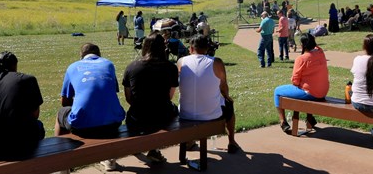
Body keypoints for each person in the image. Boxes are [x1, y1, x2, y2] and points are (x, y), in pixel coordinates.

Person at [56, 43, 126, 172]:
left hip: (83, 128)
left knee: (61, 113)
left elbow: (65, 102)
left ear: (81, 56)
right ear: (99, 54)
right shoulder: (108, 64)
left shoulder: (73, 67)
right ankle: (110, 159)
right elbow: (111, 90)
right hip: (113, 124)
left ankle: (63, 164)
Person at [0, 51, 45, 159]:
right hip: (13, 147)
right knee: (38, 126)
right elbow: (35, 115)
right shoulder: (27, 80)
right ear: (14, 66)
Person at [178, 34, 240, 154]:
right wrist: (227, 97)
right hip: (211, 115)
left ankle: (189, 141)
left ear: (191, 48)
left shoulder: (181, 61)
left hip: (185, 113)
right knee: (229, 105)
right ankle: (232, 141)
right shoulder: (216, 62)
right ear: (207, 48)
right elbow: (223, 86)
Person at [123, 33, 179, 163]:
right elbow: (170, 96)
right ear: (163, 48)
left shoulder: (132, 67)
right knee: (173, 109)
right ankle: (154, 150)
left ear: (144, 47)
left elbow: (128, 97)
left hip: (137, 117)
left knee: (138, 114)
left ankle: (143, 147)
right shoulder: (171, 67)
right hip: (163, 115)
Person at [273, 33, 329, 133]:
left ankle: (283, 122)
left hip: (311, 93)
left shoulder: (301, 59)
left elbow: (295, 81)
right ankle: (310, 118)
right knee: (309, 87)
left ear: (302, 45)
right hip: (323, 91)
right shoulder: (320, 52)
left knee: (277, 91)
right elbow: (317, 47)